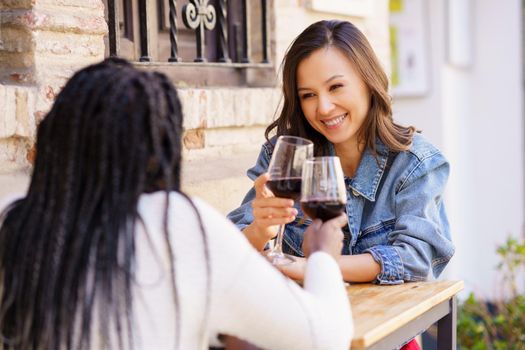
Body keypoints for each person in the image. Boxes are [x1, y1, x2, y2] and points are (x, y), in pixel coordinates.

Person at [0, 58, 353, 350]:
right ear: (161, 148)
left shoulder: (13, 220)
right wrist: (322, 253)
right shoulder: (176, 223)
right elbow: (324, 338)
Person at [227, 19, 455, 285]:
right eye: (308, 95)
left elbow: (416, 259)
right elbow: (229, 249)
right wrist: (260, 228)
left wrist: (315, 267)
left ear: (368, 81)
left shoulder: (414, 163)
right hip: (304, 319)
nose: (323, 107)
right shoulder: (285, 157)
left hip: (388, 321)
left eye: (335, 87)